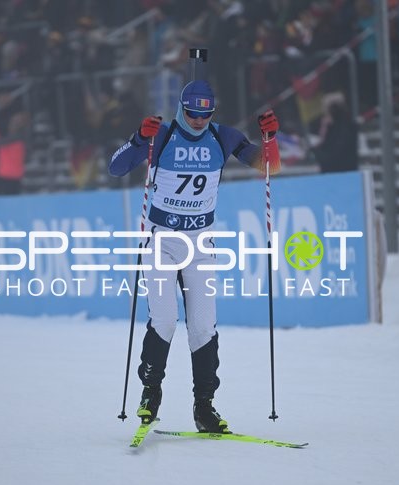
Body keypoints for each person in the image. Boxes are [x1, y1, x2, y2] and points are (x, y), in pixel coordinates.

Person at [107, 79, 281, 433]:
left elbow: (268, 168)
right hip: (163, 241)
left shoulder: (223, 136)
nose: (198, 121)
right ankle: (150, 395)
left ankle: (205, 408)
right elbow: (116, 167)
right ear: (180, 109)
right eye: (192, 113)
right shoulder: (164, 134)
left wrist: (270, 140)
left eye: (205, 114)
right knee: (166, 320)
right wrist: (140, 139)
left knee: (202, 327)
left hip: (200, 242)